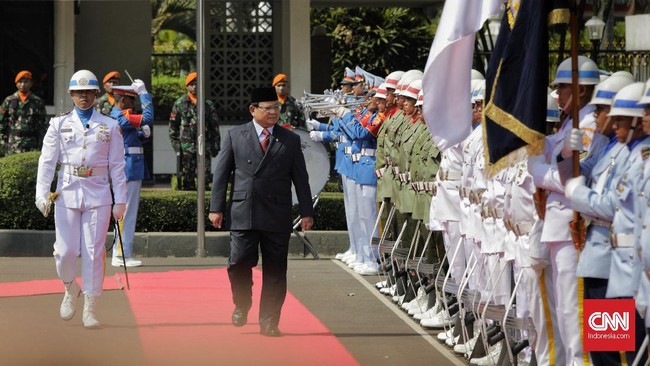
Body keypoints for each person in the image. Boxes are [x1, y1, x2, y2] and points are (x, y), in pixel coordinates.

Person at [208, 87, 314, 337]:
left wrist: (307, 212)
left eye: (277, 107)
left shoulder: (290, 139)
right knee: (238, 263)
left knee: (276, 270)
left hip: (277, 213)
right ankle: (242, 303)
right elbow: (221, 174)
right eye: (268, 108)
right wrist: (216, 208)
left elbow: (301, 178)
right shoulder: (236, 135)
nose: (274, 112)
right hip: (244, 210)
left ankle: (269, 321)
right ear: (253, 109)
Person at [35, 69, 127, 328]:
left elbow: (118, 165)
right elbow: (47, 161)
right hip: (67, 191)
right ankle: (68, 288)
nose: (83, 97)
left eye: (88, 92)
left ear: (96, 94)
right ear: (71, 95)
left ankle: (90, 307)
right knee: (65, 252)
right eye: (78, 92)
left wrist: (121, 200)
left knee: (93, 252)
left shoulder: (110, 125)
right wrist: (41, 194)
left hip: (98, 193)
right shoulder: (59, 123)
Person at [110, 81, 154, 267]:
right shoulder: (120, 116)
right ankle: (121, 254)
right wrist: (144, 93)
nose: (134, 104)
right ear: (122, 101)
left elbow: (133, 139)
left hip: (132, 167)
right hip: (127, 168)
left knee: (128, 211)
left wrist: (143, 135)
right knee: (125, 212)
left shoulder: (121, 116)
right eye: (131, 100)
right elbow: (148, 117)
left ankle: (122, 252)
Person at [169, 72, 221, 190]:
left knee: (205, 177)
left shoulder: (208, 104)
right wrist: (177, 146)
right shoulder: (179, 104)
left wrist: (215, 145)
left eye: (197, 84)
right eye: (191, 84)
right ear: (187, 86)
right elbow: (173, 126)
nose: (194, 86)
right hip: (186, 147)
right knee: (187, 178)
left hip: (205, 145)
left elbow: (214, 127)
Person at [0, 70, 47, 157]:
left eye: (26, 82)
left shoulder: (37, 102)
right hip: (12, 145)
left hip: (31, 146)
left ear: (31, 83)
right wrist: (2, 143)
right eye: (20, 82)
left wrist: (41, 145)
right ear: (16, 83)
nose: (23, 85)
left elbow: (42, 126)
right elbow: (1, 123)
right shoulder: (9, 101)